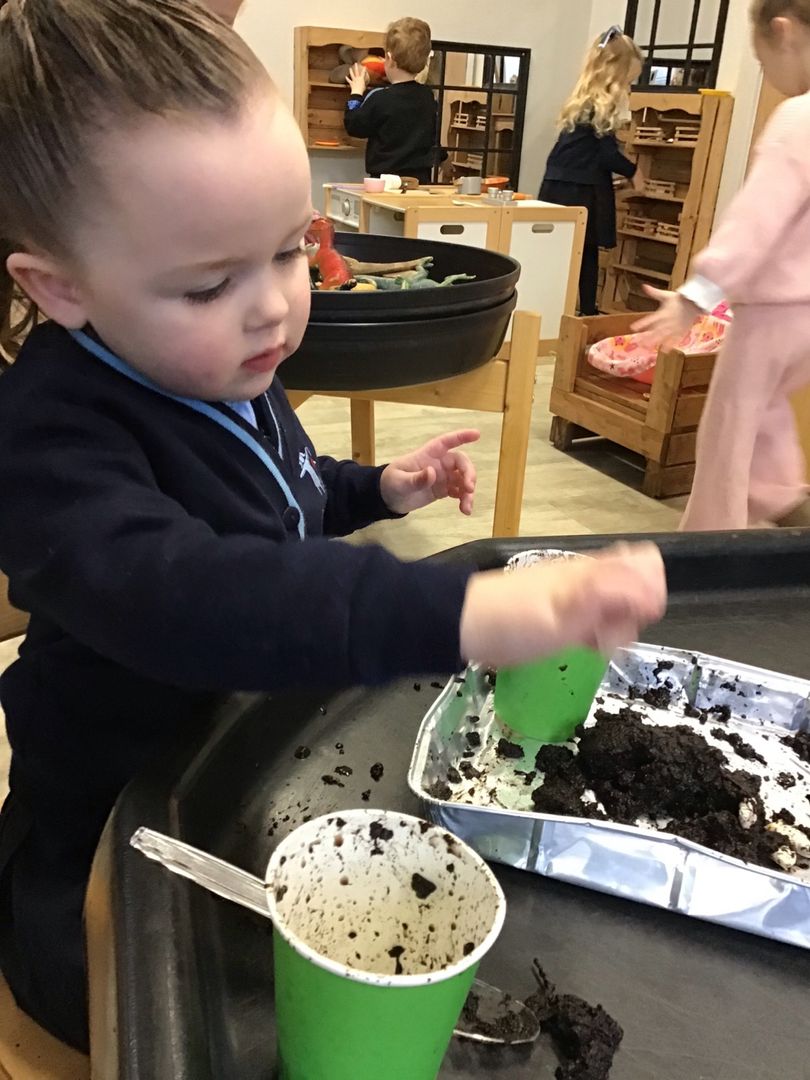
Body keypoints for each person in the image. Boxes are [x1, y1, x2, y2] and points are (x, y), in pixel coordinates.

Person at [0, 0, 666, 1052]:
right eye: (211, 283)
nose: (273, 306)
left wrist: (375, 491)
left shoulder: (221, 358)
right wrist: (465, 612)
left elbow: (280, 493)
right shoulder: (48, 439)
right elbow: (201, 595)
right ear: (61, 288)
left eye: (288, 251)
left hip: (241, 771)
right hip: (104, 854)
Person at [635, 0, 810, 531]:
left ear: (783, 32)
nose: (768, 75)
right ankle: (782, 503)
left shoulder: (797, 119)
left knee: (726, 439)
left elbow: (756, 221)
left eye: (760, 61)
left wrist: (698, 294)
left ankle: (708, 550)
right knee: (767, 419)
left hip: (774, 316)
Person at [539, 27, 645, 316]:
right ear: (613, 74)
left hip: (561, 185)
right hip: (579, 191)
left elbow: (593, 153)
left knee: (572, 251)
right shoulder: (601, 105)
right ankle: (582, 311)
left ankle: (574, 309)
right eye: (627, 82)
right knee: (585, 251)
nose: (628, 89)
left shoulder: (583, 101)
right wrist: (633, 171)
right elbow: (607, 155)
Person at [343, 17, 438, 183]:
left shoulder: (380, 98)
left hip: (385, 182)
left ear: (389, 58)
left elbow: (355, 125)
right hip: (419, 180)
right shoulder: (427, 96)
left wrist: (356, 92)